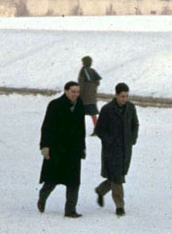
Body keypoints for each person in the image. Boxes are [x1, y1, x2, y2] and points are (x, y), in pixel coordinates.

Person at [38, 81, 87, 217]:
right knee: (52, 179)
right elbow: (46, 127)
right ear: (66, 91)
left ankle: (70, 210)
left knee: (74, 182)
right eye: (73, 92)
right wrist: (45, 146)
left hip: (74, 149)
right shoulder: (55, 105)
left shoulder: (80, 105)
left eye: (77, 92)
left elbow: (81, 128)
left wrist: (82, 147)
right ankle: (42, 197)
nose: (75, 95)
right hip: (57, 148)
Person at [93, 82, 139, 217]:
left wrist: (132, 139)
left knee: (116, 176)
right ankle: (120, 206)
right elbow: (99, 130)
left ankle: (101, 190)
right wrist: (109, 141)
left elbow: (135, 124)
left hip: (126, 148)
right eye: (122, 96)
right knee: (117, 178)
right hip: (111, 150)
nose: (124, 99)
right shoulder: (107, 109)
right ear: (116, 95)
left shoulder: (130, 108)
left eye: (126, 96)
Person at [78, 56, 103, 128]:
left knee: (79, 112)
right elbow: (97, 82)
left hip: (83, 97)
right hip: (92, 97)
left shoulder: (83, 71)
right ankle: (97, 128)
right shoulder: (93, 71)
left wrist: (78, 93)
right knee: (93, 114)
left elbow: (81, 84)